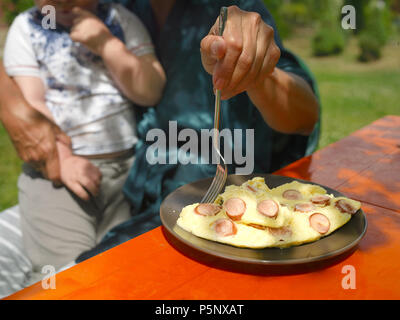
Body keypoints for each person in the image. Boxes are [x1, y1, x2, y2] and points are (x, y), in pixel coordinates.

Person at [0, 0, 319, 296]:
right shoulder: (112, 9)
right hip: (133, 197)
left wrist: (258, 74)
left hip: (214, 206)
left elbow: (303, 116)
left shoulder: (232, 11)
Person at [1, 0, 166, 285]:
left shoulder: (121, 21)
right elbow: (33, 103)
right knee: (67, 277)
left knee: (120, 270)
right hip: (56, 175)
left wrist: (106, 44)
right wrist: (63, 159)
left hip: (124, 174)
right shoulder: (27, 29)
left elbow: (149, 91)